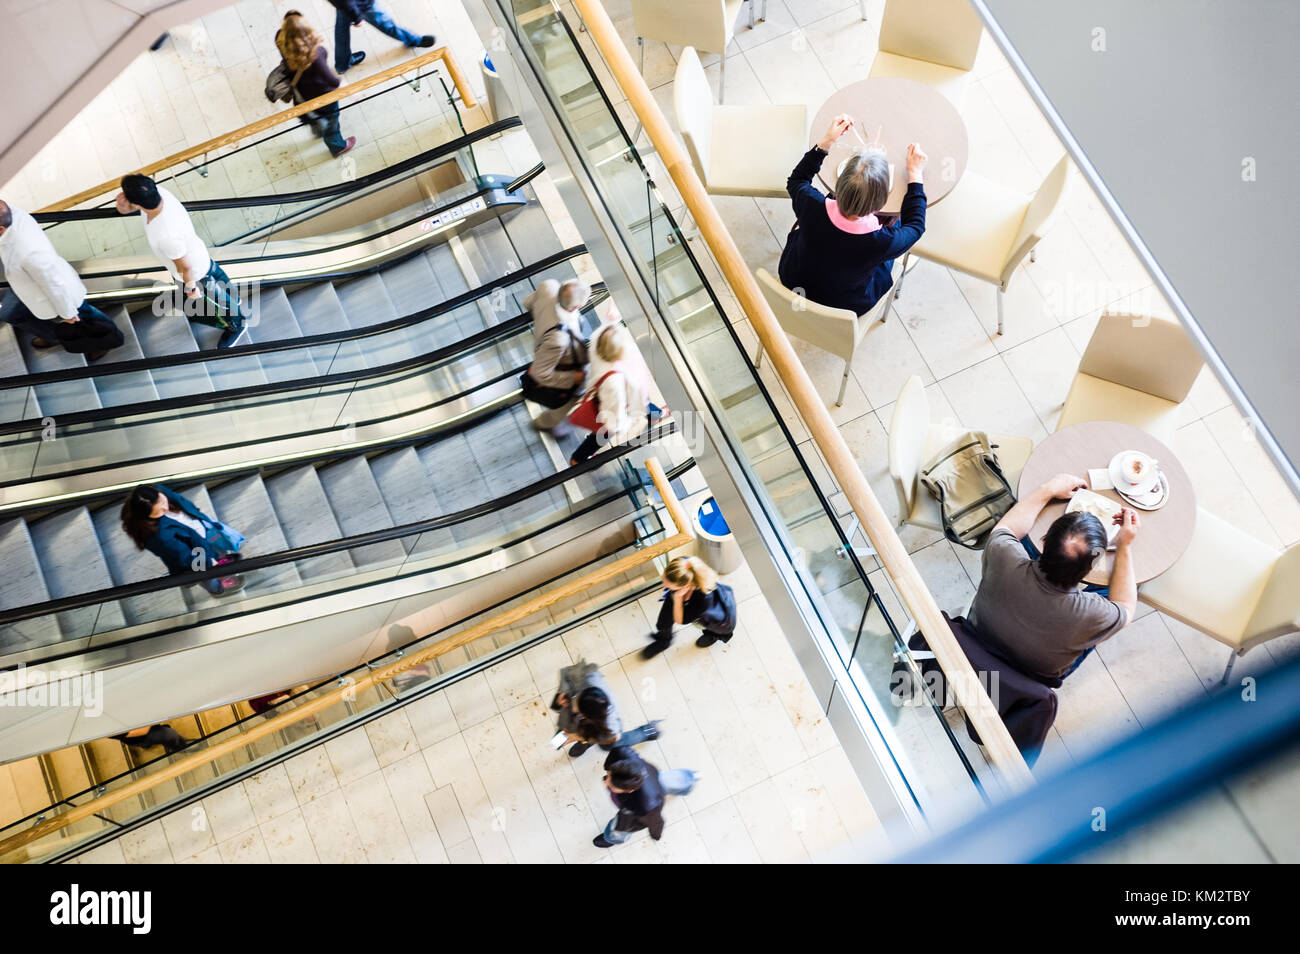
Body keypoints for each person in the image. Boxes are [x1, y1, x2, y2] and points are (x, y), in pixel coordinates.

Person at [966, 473, 1141, 682]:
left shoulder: (1002, 555)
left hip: (977, 640)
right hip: (1032, 677)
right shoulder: (1092, 614)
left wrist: (1048, 489)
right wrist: (1124, 546)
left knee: (1024, 543)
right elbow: (1125, 607)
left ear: (1045, 541)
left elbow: (1008, 528)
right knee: (1112, 588)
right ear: (1094, 565)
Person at [778, 115, 927, 315]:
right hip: (846, 305)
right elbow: (916, 227)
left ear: (839, 184)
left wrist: (826, 142)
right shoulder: (882, 242)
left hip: (793, 280)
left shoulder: (810, 205)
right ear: (882, 202)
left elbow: (797, 180)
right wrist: (915, 176)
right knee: (896, 224)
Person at [114, 174, 250, 349]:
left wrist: (191, 288)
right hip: (199, 252)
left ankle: (237, 324)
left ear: (137, 204)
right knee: (217, 276)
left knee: (214, 299)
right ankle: (233, 298)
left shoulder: (166, 235)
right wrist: (122, 203)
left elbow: (185, 267)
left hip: (196, 271)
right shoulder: (158, 193)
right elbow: (125, 209)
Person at [0, 200, 124, 361]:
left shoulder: (28, 252)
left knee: (84, 314)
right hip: (27, 282)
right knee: (10, 313)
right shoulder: (11, 214)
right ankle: (54, 336)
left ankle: (108, 339)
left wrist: (68, 314)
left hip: (58, 288)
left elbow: (54, 283)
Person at [120, 484, 246, 597]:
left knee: (210, 557)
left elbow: (180, 501)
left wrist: (197, 514)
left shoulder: (158, 491)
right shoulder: (159, 537)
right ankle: (215, 588)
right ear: (147, 516)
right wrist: (209, 563)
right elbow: (187, 557)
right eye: (159, 511)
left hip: (200, 538)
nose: (165, 507)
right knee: (202, 574)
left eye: (163, 501)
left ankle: (214, 565)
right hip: (194, 560)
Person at [275, 12, 358, 159]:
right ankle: (337, 146)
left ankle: (318, 130)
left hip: (302, 93)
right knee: (332, 119)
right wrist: (347, 87)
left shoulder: (281, 41)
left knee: (313, 115)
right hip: (322, 95)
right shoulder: (316, 54)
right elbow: (331, 81)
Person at [568, 322, 650, 466]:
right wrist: (627, 424)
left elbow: (602, 331)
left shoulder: (596, 345)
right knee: (601, 435)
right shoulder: (615, 381)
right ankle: (578, 459)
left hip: (597, 393)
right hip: (605, 411)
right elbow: (614, 423)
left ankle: (657, 412)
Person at [551, 659, 660, 758]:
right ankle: (586, 741)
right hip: (590, 725)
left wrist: (582, 738)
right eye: (577, 701)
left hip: (604, 733)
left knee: (606, 746)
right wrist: (560, 699)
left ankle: (646, 731)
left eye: (577, 709)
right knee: (569, 728)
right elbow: (568, 678)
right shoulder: (588, 678)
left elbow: (612, 738)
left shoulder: (611, 724)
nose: (573, 707)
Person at [594, 745, 699, 848]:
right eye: (609, 775)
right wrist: (608, 768)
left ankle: (610, 838)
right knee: (669, 780)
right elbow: (618, 750)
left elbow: (656, 822)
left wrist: (655, 835)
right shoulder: (624, 755)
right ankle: (690, 778)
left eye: (611, 785)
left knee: (616, 831)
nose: (605, 782)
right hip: (653, 777)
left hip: (641, 803)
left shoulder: (645, 806)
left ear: (629, 791)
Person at [521, 278, 590, 432]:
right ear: (576, 307)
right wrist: (573, 378)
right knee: (575, 395)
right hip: (561, 368)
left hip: (546, 345)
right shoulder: (559, 339)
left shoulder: (549, 286)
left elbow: (527, 303)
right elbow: (541, 373)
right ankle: (545, 423)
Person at [641, 556, 737, 660]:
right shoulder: (684, 567)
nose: (663, 587)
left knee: (713, 626)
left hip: (711, 615)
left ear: (685, 586)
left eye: (668, 586)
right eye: (664, 581)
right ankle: (664, 640)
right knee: (663, 621)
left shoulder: (703, 600)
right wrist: (675, 593)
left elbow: (681, 619)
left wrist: (678, 598)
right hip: (682, 595)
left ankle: (712, 635)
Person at [327, 0, 436, 74]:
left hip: (348, 5)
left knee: (342, 31)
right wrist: (357, 16)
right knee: (387, 25)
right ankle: (414, 40)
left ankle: (342, 64)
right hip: (361, 4)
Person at [111, 723, 194, 755]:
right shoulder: (111, 729)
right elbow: (142, 731)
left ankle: (146, 746)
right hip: (143, 736)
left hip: (136, 738)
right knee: (170, 734)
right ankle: (181, 747)